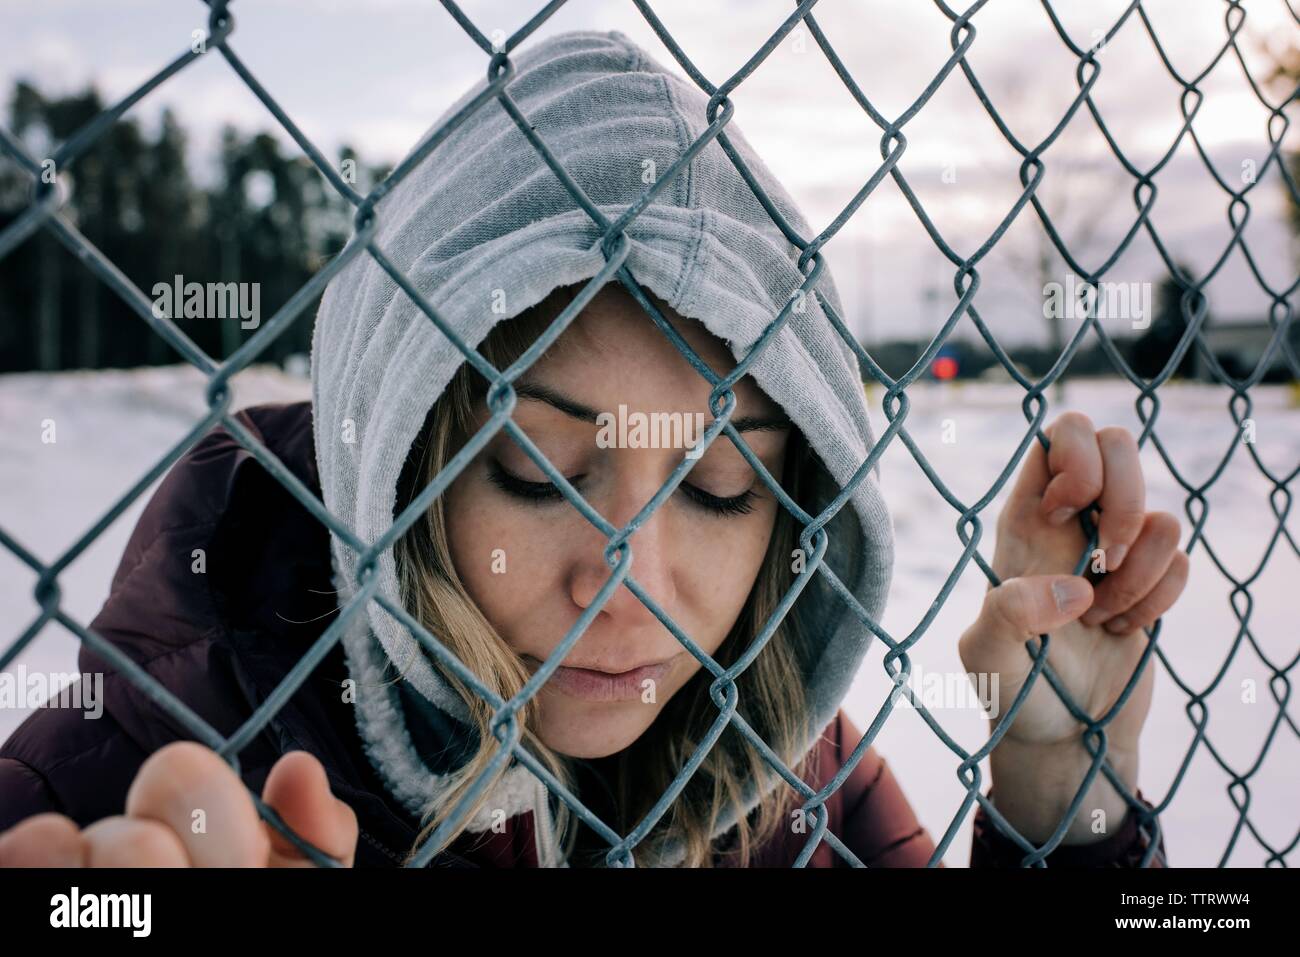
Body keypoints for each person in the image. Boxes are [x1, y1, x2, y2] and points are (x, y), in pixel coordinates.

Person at [0, 29, 1185, 868]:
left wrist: (1059, 792)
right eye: (533, 472)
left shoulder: (778, 766)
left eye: (723, 490)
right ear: (400, 462)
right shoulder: (130, 763)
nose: (630, 588)